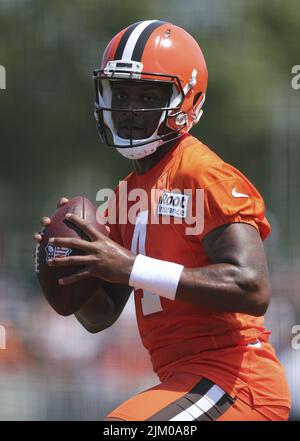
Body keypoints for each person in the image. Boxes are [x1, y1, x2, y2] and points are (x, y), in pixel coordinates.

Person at [34, 20, 291, 421]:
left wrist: (131, 267)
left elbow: (252, 287)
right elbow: (99, 316)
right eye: (120, 93)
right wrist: (68, 267)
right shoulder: (125, 194)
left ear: (186, 100)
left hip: (236, 381)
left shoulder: (202, 173)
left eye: (148, 95)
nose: (129, 110)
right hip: (186, 379)